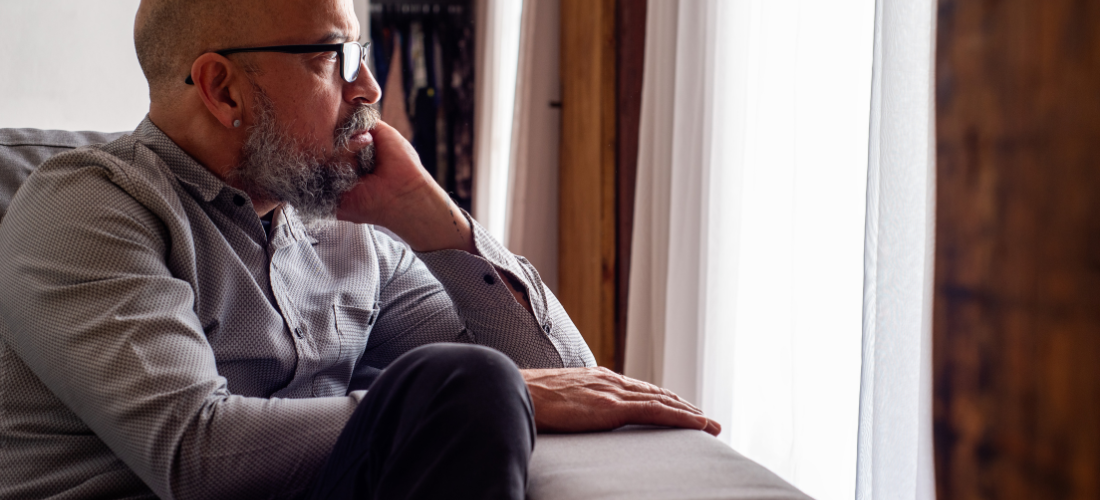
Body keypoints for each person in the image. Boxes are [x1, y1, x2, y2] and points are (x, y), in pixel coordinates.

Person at [0, 0, 720, 498]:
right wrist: (501, 394)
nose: (370, 86)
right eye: (335, 57)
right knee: (465, 384)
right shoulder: (89, 207)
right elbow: (194, 455)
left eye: (363, 53)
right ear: (223, 90)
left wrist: (434, 219)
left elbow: (569, 379)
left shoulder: (350, 232)